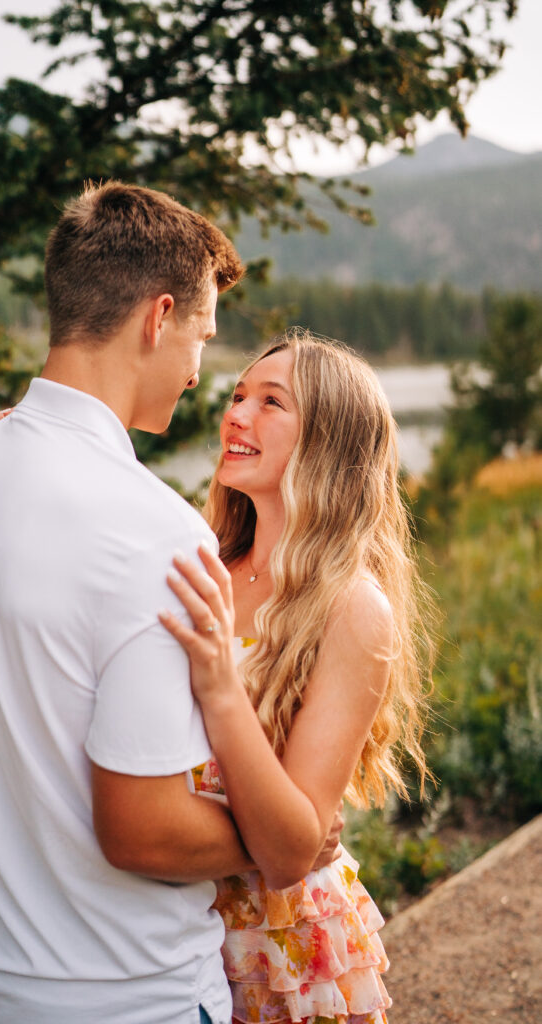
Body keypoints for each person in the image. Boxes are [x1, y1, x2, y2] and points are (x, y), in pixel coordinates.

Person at [0, 184, 342, 1024]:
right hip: (125, 995)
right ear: (157, 317)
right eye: (201, 337)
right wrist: (282, 845)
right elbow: (142, 834)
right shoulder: (155, 533)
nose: (197, 371)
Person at [159, 329, 432, 1024]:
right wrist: (42, 446)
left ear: (327, 441)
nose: (236, 414)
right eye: (238, 395)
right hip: (173, 928)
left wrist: (221, 686)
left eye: (269, 402)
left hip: (279, 945)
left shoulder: (350, 608)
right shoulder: (205, 562)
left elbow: (293, 847)